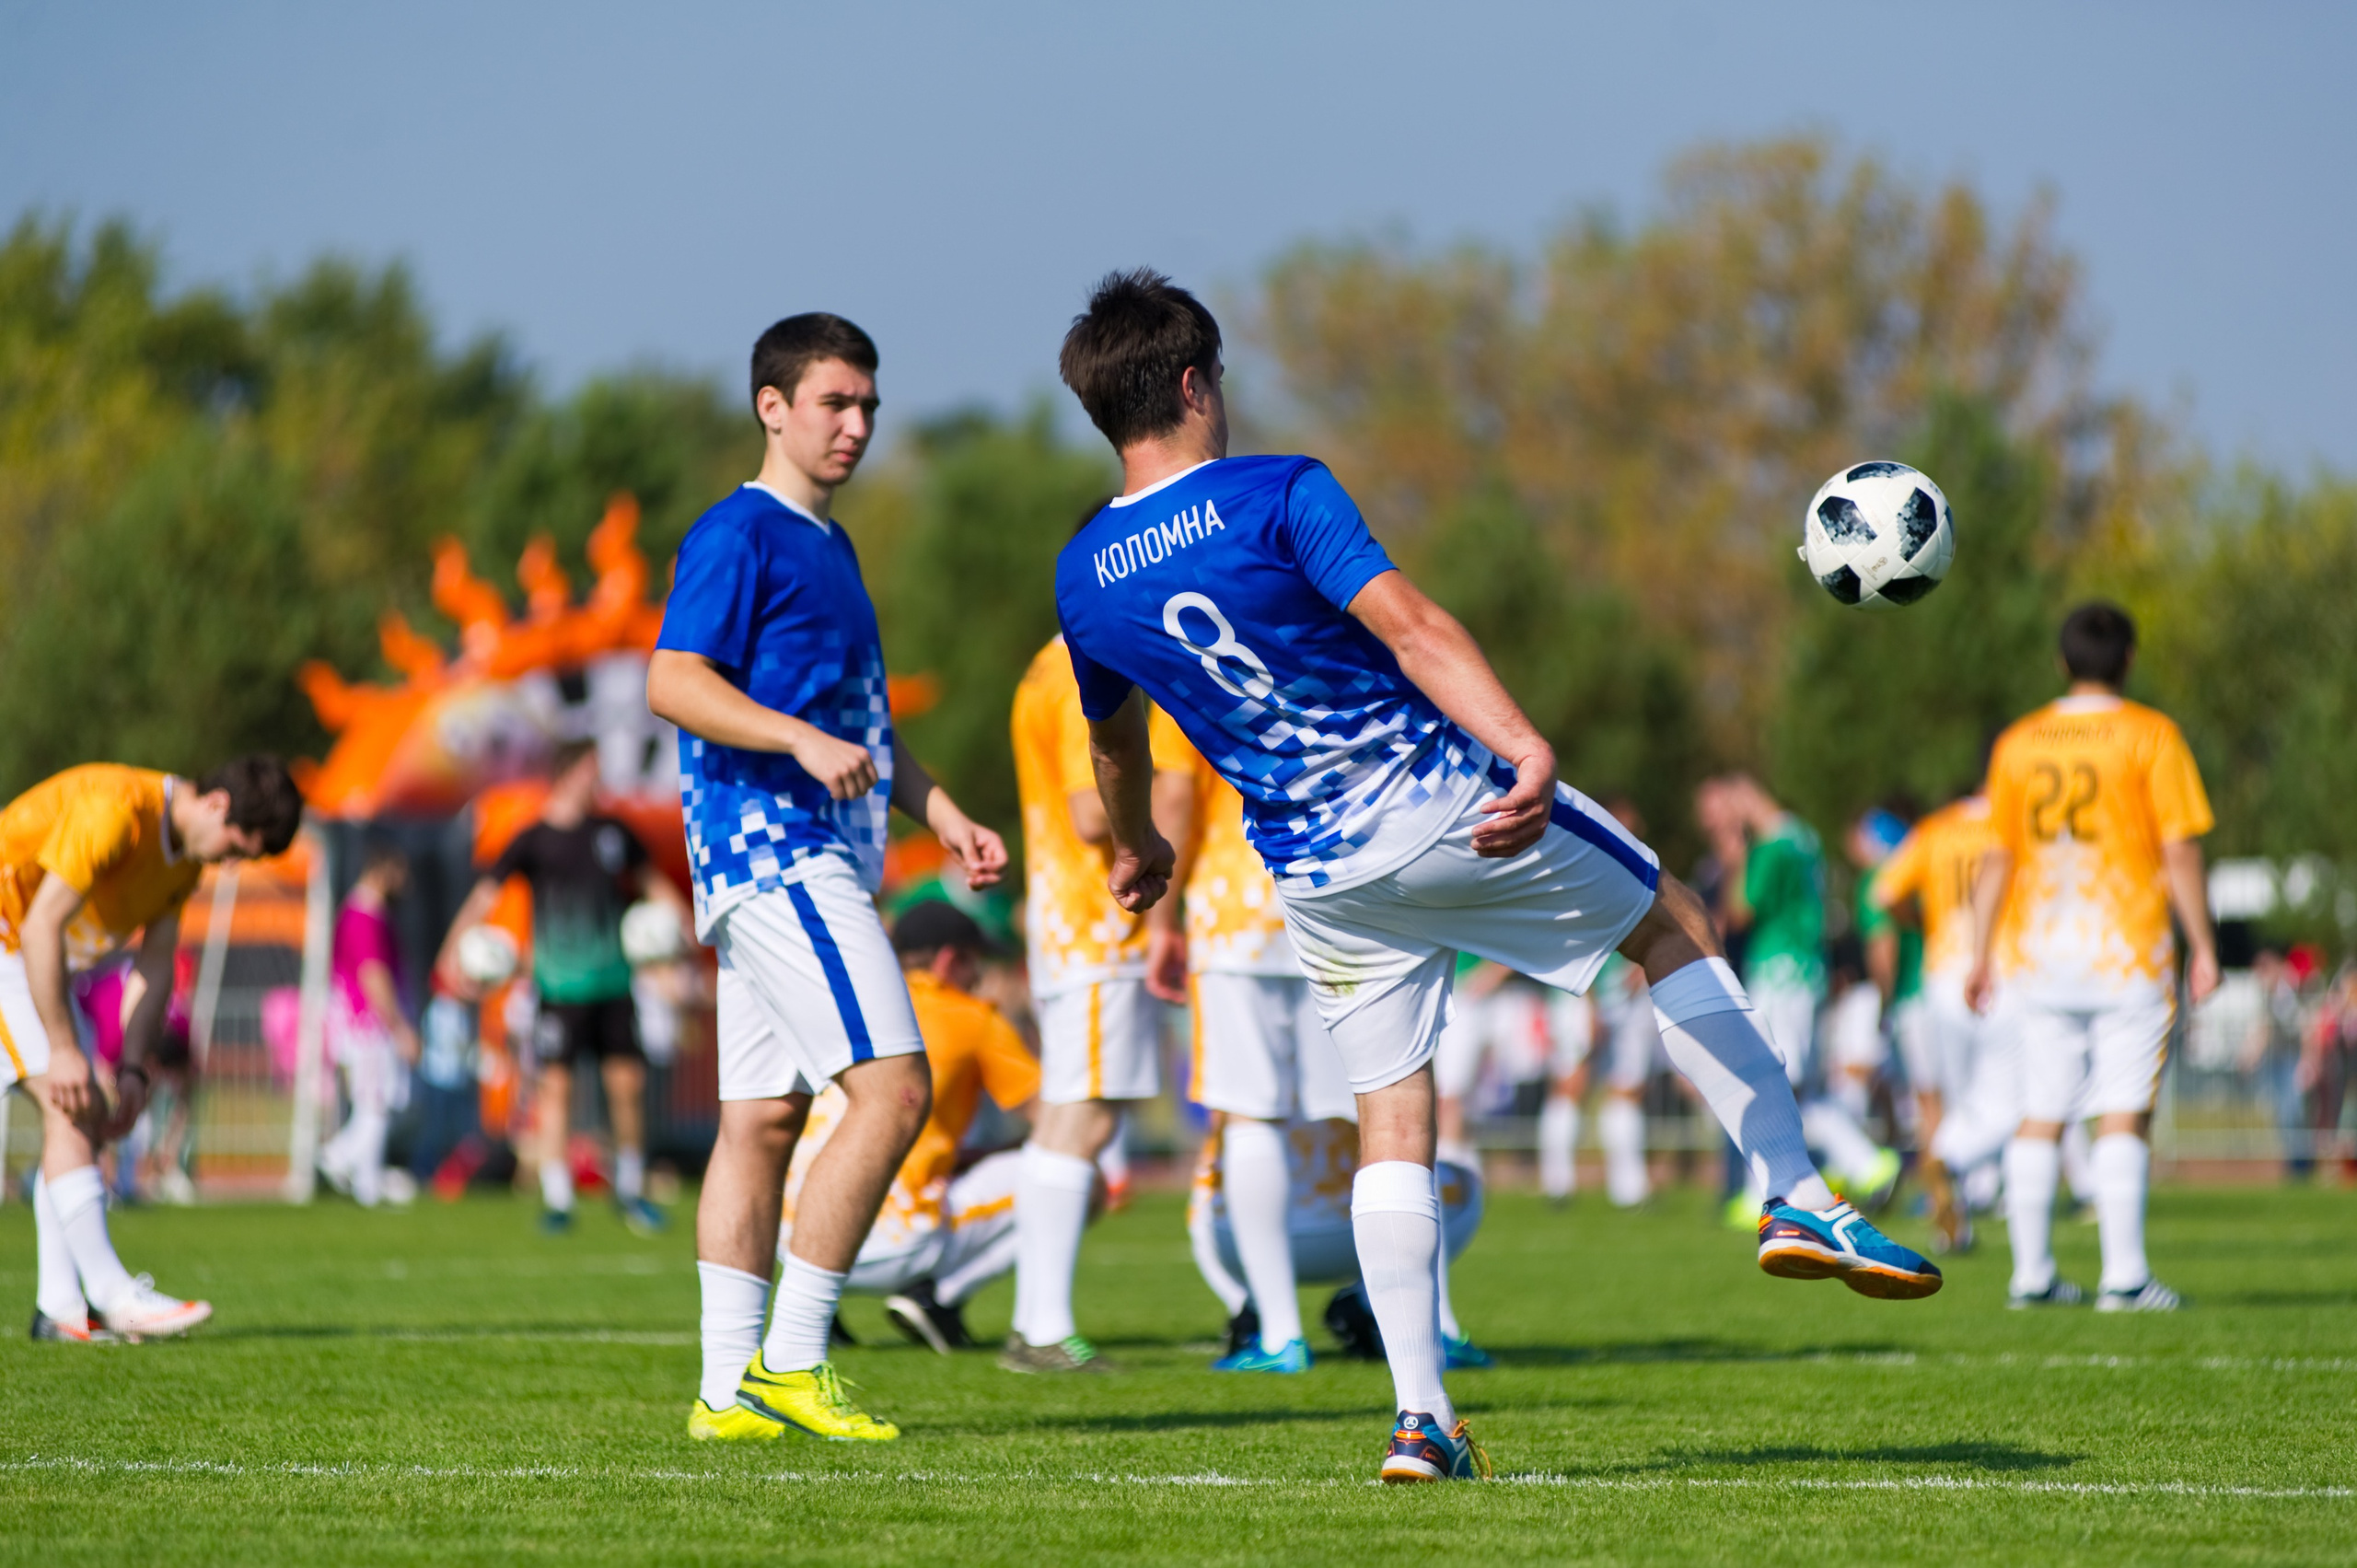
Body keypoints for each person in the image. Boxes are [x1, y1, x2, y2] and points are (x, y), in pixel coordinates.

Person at [1051, 270, 1938, 1484]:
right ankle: (1794, 1188)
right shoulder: (1279, 489)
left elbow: (1115, 741)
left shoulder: (1085, 571)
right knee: (1672, 918)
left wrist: (1137, 842)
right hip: (1438, 809)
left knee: (1392, 1120)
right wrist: (1521, 738)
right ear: (1198, 382)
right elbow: (1410, 624)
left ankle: (1421, 1416)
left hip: (1318, 875)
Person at [644, 311, 1008, 1444]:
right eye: (834, 404)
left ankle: (722, 1394)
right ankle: (793, 1360)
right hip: (773, 848)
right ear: (773, 407)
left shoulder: (833, 546)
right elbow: (671, 679)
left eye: (868, 408)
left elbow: (862, 726)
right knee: (895, 1090)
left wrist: (939, 808)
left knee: (760, 1121)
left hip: (812, 853)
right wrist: (793, 742)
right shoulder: (738, 531)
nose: (856, 426)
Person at [1968, 602, 2218, 1312]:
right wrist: (2203, 943)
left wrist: (1980, 953)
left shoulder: (2018, 742)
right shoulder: (2150, 734)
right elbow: (2179, 847)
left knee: (2040, 1111)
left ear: (2061, 661)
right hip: (2127, 950)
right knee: (2123, 1111)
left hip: (2040, 950)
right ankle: (2125, 1276)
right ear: (2129, 659)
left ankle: (2032, 1274)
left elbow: (1996, 856)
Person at [2, 757, 302, 1341]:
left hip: (28, 964)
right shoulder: (114, 812)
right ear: (217, 805)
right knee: (74, 1105)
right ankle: (113, 1295)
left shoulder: (183, 863)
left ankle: (61, 1310)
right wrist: (64, 1048)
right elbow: (39, 928)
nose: (233, 864)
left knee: (80, 1114)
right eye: (238, 846)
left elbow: (156, 964)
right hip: (11, 946)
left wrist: (135, 1064)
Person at [1004, 631, 1194, 1372]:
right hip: (1092, 929)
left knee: (1069, 1112)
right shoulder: (1077, 669)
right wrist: (1148, 826)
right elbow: (1090, 811)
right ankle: (1041, 1327)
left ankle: (1035, 1321)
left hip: (1070, 927)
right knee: (1080, 1118)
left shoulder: (1044, 666)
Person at [437, 739, 686, 1235]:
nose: (600, 780)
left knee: (628, 1088)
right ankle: (557, 1198)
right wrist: (451, 949)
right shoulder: (533, 838)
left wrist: (686, 928)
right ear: (570, 773)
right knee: (556, 1092)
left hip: (615, 983)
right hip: (557, 988)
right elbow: (486, 895)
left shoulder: (614, 832)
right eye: (593, 769)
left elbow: (655, 884)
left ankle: (631, 1192)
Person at [777, 900, 1039, 1354]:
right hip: (891, 1241)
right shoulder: (971, 1015)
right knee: (1070, 1179)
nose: (979, 977)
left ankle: (813, 1307)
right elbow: (1055, 1123)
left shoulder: (847, 1000)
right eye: (975, 963)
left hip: (794, 1238)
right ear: (949, 960)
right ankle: (938, 1299)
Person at [1184, 753, 1375, 1372]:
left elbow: (1173, 792)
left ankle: (1279, 1332)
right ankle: (1415, 1317)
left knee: (1249, 1116)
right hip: (1339, 897)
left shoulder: (1187, 651)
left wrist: (1159, 922)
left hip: (1236, 909)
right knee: (1375, 1103)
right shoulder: (1344, 649)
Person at [1703, 774, 1901, 1214]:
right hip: (1807, 969)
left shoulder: (1771, 847)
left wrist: (1735, 857)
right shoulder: (1804, 838)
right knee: (1797, 1089)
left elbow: (1740, 911)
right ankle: (1784, 1188)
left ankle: (1863, 1163)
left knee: (1778, 1086)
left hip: (1781, 972)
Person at [1186, 1111, 1486, 1363]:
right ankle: (1434, 1328)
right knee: (1419, 1135)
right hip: (1361, 1226)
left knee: (1239, 1126)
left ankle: (1268, 1324)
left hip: (1239, 1237)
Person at [1871, 776, 2003, 1250]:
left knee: (1951, 1099)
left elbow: (1885, 893)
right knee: (2022, 1094)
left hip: (1942, 973)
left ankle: (1955, 1207)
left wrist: (1922, 922)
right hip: (1999, 967)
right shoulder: (2008, 822)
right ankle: (1966, 1173)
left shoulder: (1935, 829)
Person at [319, 843, 419, 1208]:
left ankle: (365, 1182)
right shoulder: (364, 916)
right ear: (382, 869)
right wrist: (400, 1028)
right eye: (400, 872)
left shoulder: (369, 914)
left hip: (367, 1026)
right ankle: (338, 1158)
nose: (405, 882)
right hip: (366, 1026)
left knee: (374, 1104)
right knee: (377, 1103)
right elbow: (373, 976)